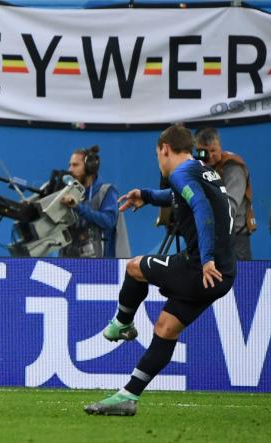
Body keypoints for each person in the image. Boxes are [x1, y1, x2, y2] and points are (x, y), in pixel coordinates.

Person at [85, 125, 235, 416]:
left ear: (165, 148)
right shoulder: (203, 170)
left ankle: (123, 324)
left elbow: (201, 207)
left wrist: (205, 259)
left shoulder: (180, 173)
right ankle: (128, 397)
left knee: (134, 267)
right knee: (165, 328)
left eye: (157, 155)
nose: (159, 161)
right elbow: (181, 197)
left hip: (201, 268)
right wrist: (148, 195)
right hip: (224, 274)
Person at [194, 128, 256, 260]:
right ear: (197, 151)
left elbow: (229, 206)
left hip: (235, 237)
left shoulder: (233, 166)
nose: (209, 156)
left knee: (243, 279)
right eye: (204, 152)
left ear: (219, 147)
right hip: (212, 237)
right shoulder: (198, 168)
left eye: (213, 150)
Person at [59, 145, 129, 258]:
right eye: (70, 165)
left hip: (99, 264)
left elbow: (108, 221)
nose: (70, 170)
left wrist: (78, 206)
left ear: (89, 167)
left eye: (75, 165)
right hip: (69, 259)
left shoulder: (107, 191)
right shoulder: (67, 192)